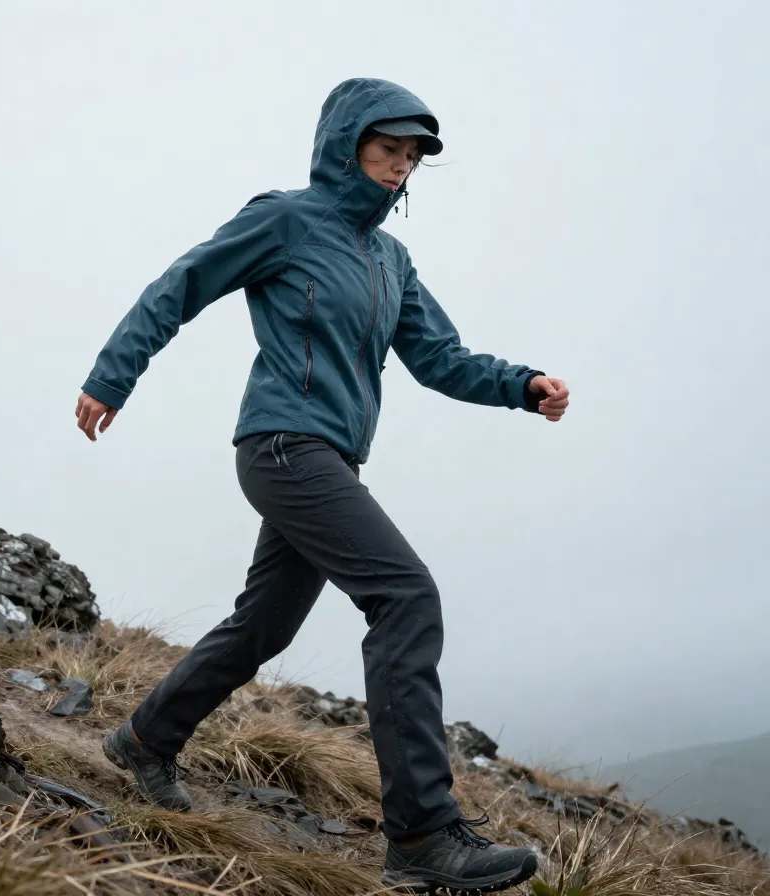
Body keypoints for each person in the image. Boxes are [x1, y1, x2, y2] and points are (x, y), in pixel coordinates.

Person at [74, 77, 569, 894]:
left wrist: (523, 384)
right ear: (347, 146)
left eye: (412, 157)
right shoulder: (285, 220)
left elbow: (440, 359)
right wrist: (111, 378)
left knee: (263, 624)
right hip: (279, 445)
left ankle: (144, 739)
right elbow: (181, 286)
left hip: (330, 461)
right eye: (388, 150)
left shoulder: (391, 260)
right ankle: (421, 837)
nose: (400, 168)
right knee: (407, 598)